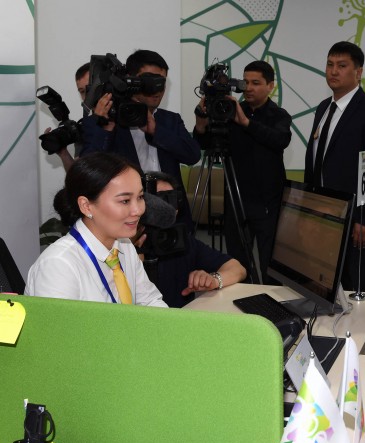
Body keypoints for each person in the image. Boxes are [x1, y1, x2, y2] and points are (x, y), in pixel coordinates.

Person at [304, 41, 365, 293]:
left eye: (342, 66)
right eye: (330, 64)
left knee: (361, 282)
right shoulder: (324, 108)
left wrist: (364, 219)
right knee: (326, 279)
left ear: (358, 72)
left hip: (355, 216)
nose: (334, 71)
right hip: (324, 211)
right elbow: (317, 160)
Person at [193, 60, 292, 282]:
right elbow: (205, 143)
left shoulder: (279, 115)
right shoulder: (228, 111)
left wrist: (246, 123)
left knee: (270, 263)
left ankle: (272, 299)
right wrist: (201, 124)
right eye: (245, 82)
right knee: (237, 261)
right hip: (236, 199)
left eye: (256, 83)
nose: (249, 88)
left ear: (270, 86)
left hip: (268, 203)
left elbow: (280, 140)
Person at [26, 152, 167, 306]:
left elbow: (150, 302)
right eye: (125, 201)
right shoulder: (58, 265)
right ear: (86, 206)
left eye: (140, 197)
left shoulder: (124, 246)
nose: (138, 210)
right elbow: (59, 323)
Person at [80, 49, 201, 200]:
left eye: (162, 81)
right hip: (128, 209)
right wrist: (106, 128)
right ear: (131, 81)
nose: (157, 88)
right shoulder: (104, 120)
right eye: (150, 80)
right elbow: (88, 173)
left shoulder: (170, 120)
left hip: (171, 208)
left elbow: (193, 156)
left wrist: (156, 130)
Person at [143, 171, 247, 307]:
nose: (165, 208)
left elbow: (238, 269)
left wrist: (214, 280)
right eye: (157, 201)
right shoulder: (126, 245)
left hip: (181, 317)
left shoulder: (181, 240)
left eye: (170, 199)